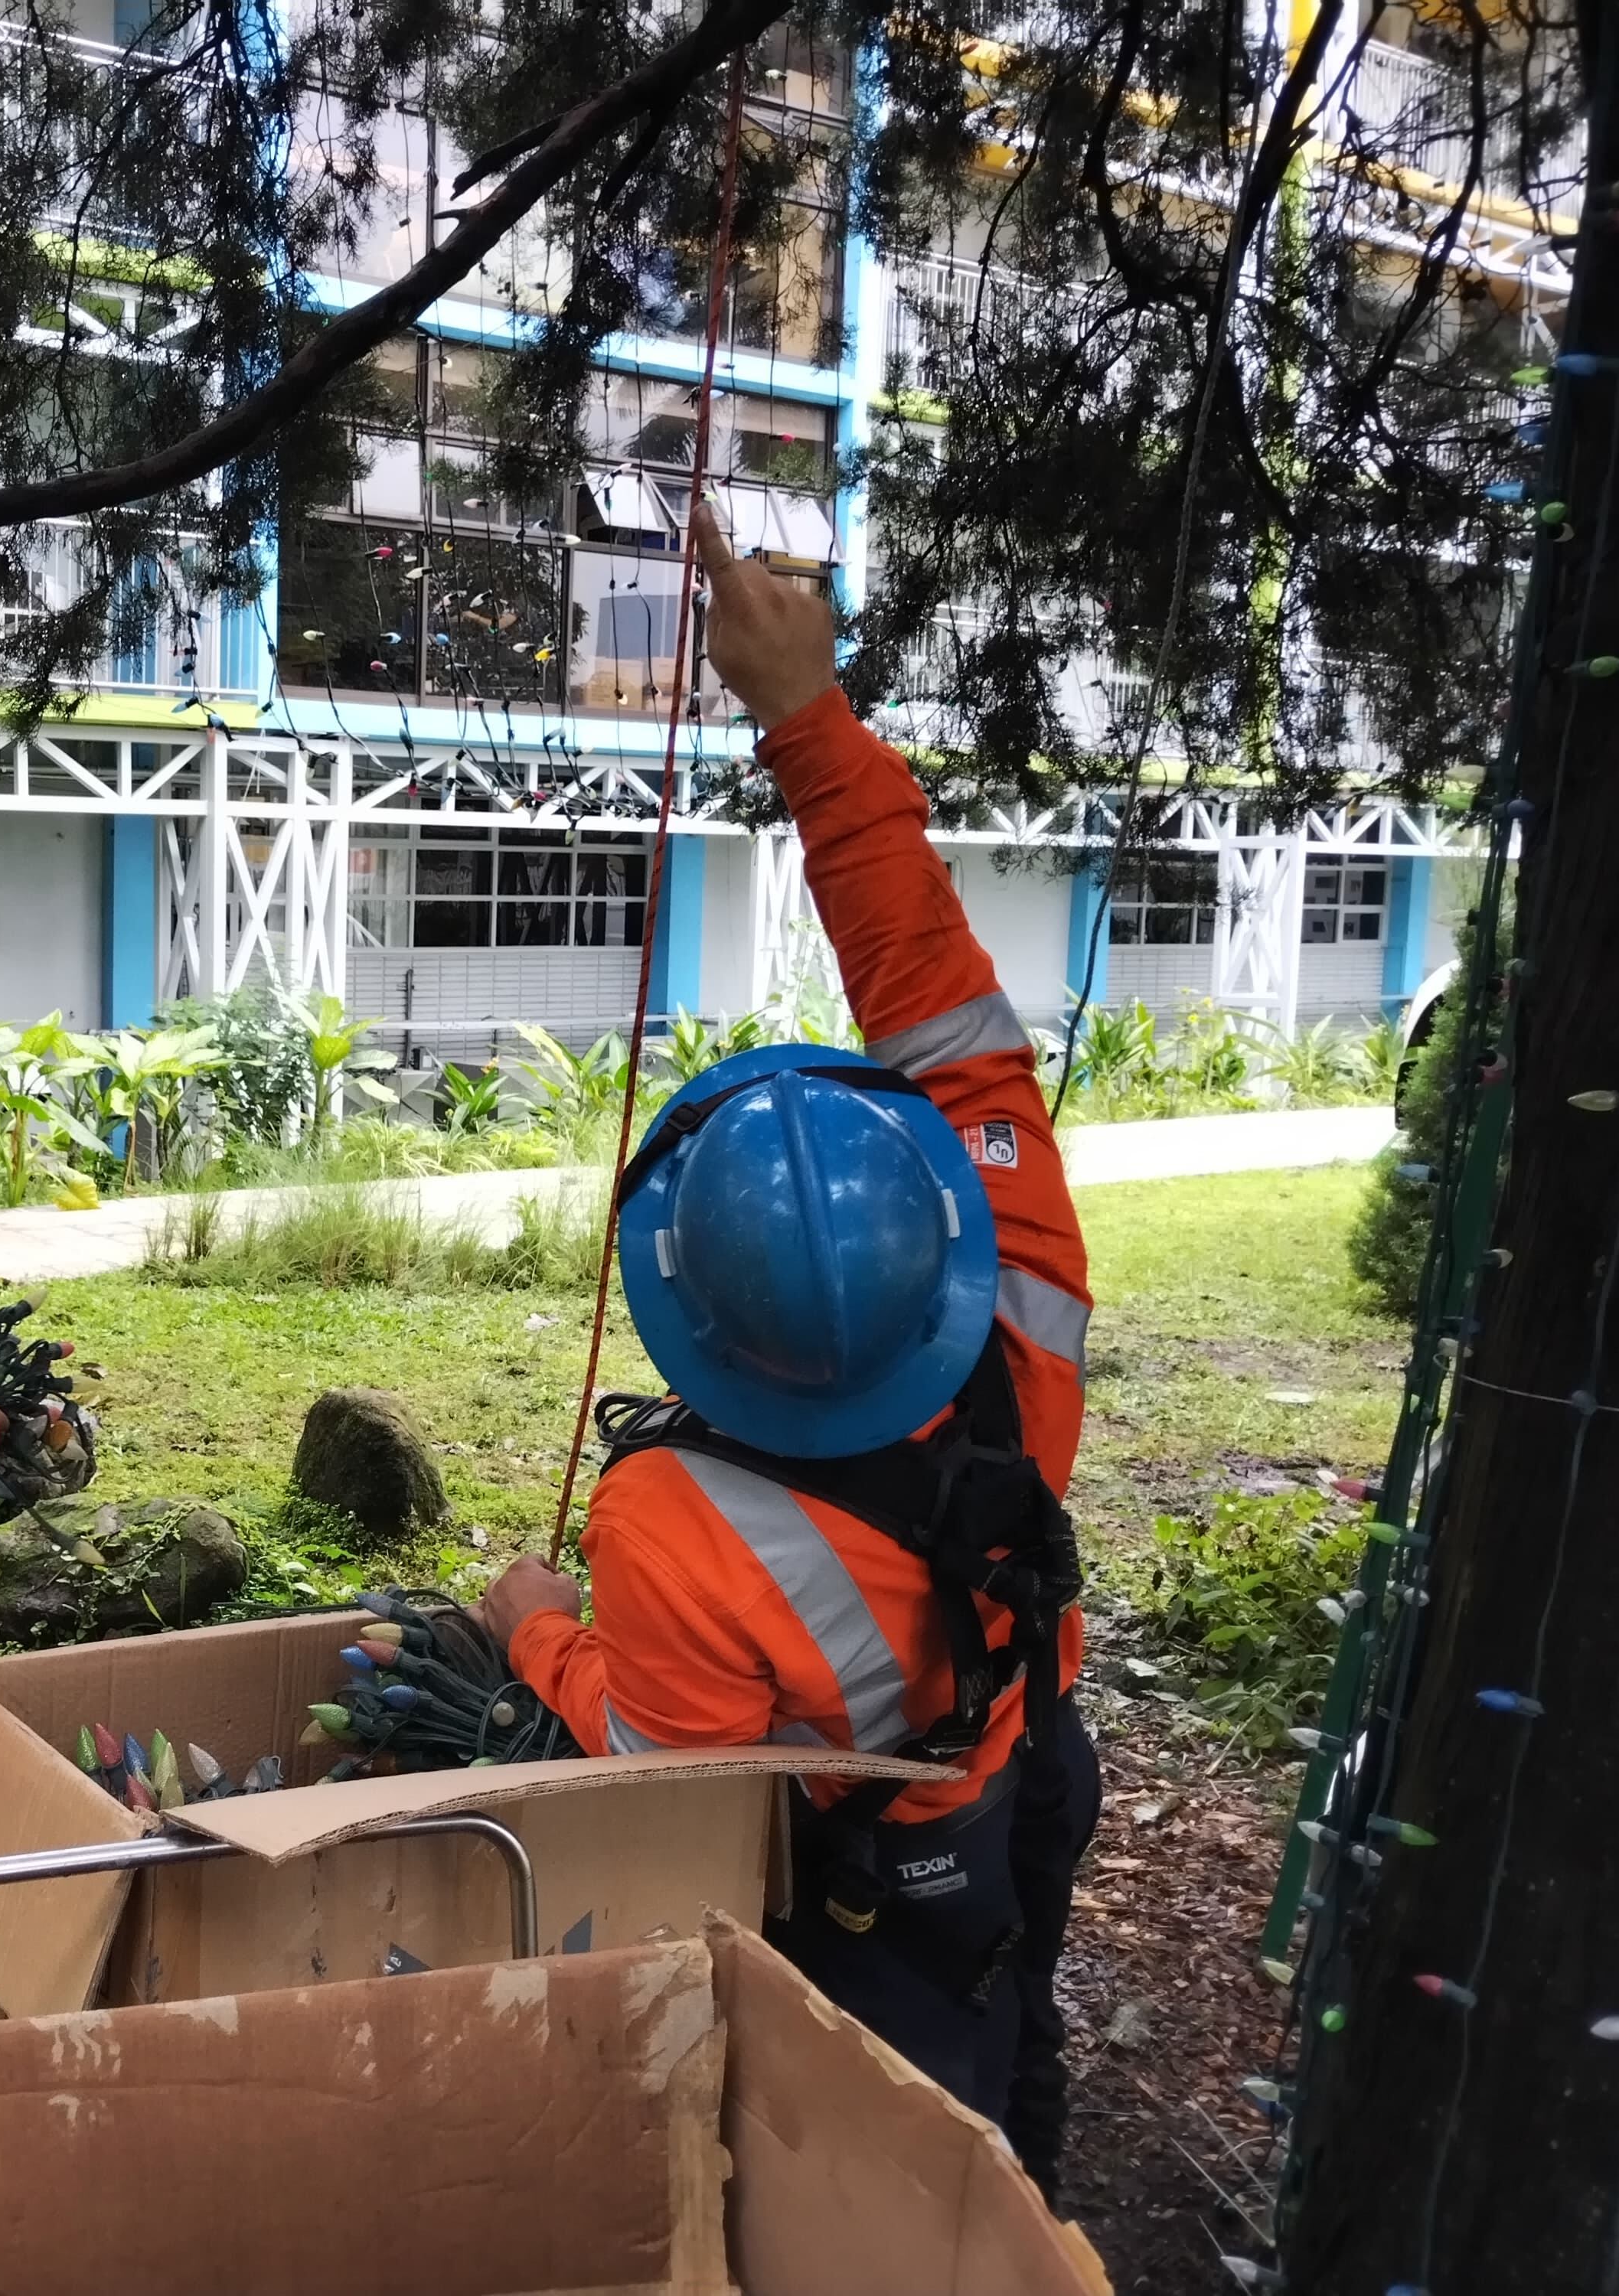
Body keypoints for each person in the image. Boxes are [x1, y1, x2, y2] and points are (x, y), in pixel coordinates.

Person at [478, 504, 1102, 2197]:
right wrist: (799, 712)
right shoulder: (1022, 1289)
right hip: (1030, 1760)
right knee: (1012, 2036)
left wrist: (537, 1631)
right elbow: (925, 976)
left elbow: (658, 1757)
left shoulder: (671, 1523)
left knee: (884, 2145)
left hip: (882, 1872)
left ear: (689, 1303)